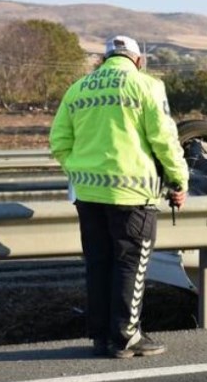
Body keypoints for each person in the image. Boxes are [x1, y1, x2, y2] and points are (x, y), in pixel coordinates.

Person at [49, 35, 189, 359]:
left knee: (98, 264)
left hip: (87, 195)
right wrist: (179, 180)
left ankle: (101, 337)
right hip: (132, 195)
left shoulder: (78, 89)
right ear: (138, 60)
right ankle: (126, 337)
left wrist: (80, 171)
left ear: (105, 58)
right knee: (131, 265)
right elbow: (164, 140)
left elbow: (59, 141)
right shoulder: (147, 86)